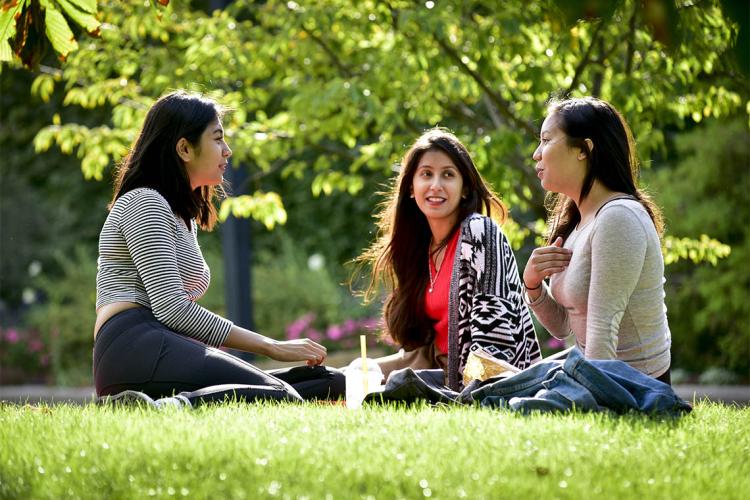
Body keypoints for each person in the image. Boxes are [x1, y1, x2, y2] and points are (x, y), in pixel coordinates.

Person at [93, 90, 344, 406]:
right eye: (217, 139)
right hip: (133, 347)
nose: (227, 151)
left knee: (329, 383)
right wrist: (272, 346)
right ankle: (171, 407)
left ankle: (167, 404)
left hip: (160, 343)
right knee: (282, 396)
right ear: (184, 148)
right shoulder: (145, 202)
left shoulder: (181, 216)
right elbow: (173, 309)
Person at [357, 128, 541, 391]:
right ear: (411, 187)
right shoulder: (420, 248)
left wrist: (466, 397)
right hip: (438, 376)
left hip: (488, 385)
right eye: (426, 174)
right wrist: (370, 369)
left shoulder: (480, 234)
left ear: (465, 188)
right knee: (342, 376)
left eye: (448, 175)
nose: (436, 185)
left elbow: (494, 345)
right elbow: (430, 348)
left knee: (395, 385)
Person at [523, 96, 672, 383]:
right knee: (493, 387)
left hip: (634, 387)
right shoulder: (577, 222)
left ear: (584, 150)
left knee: (509, 398)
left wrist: (584, 397)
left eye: (546, 140)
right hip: (594, 371)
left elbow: (603, 330)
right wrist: (532, 284)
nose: (536, 154)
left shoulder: (619, 217)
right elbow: (566, 326)